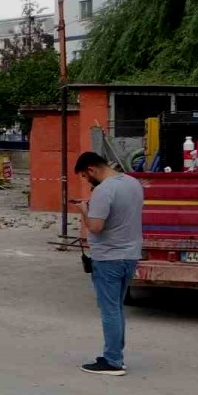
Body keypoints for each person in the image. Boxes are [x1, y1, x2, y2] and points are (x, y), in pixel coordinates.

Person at [72, 152, 144, 376]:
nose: (87, 180)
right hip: (130, 255)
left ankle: (112, 361)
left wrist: (84, 210)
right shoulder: (134, 183)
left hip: (108, 258)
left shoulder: (104, 190)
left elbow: (95, 227)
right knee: (117, 308)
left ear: (92, 169)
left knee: (110, 310)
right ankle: (115, 355)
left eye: (85, 176)